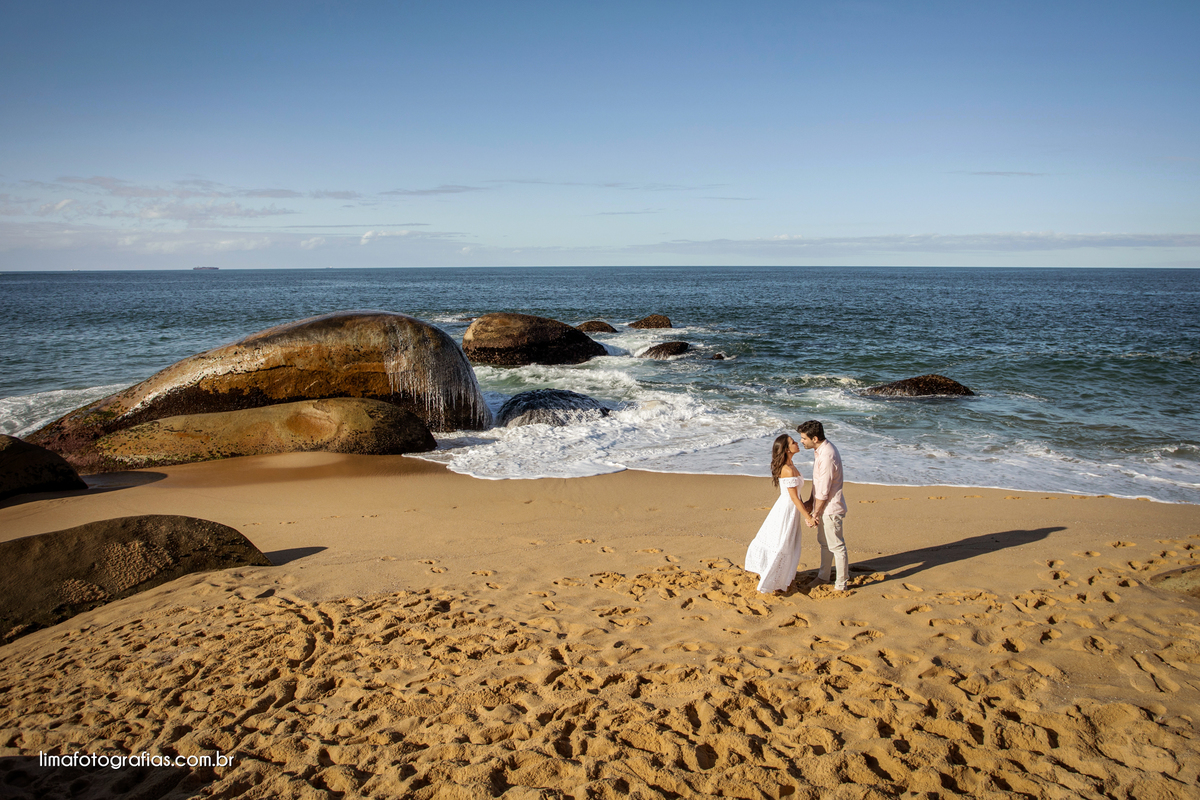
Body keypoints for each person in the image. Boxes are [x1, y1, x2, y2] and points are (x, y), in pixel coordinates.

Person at [744, 434, 818, 593]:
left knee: (787, 543)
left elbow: (797, 495)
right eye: (793, 442)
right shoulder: (786, 469)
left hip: (792, 508)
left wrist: (807, 506)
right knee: (782, 543)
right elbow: (793, 497)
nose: (797, 443)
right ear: (786, 449)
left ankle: (780, 577)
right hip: (786, 510)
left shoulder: (792, 465)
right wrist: (808, 517)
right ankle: (769, 581)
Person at [798, 420, 849, 591]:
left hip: (831, 508)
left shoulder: (827, 455)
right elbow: (817, 483)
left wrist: (815, 514)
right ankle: (823, 577)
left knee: (836, 546)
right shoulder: (819, 450)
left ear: (815, 438)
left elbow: (824, 490)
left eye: (804, 438)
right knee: (825, 544)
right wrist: (810, 503)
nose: (801, 441)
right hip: (823, 506)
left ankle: (841, 584)